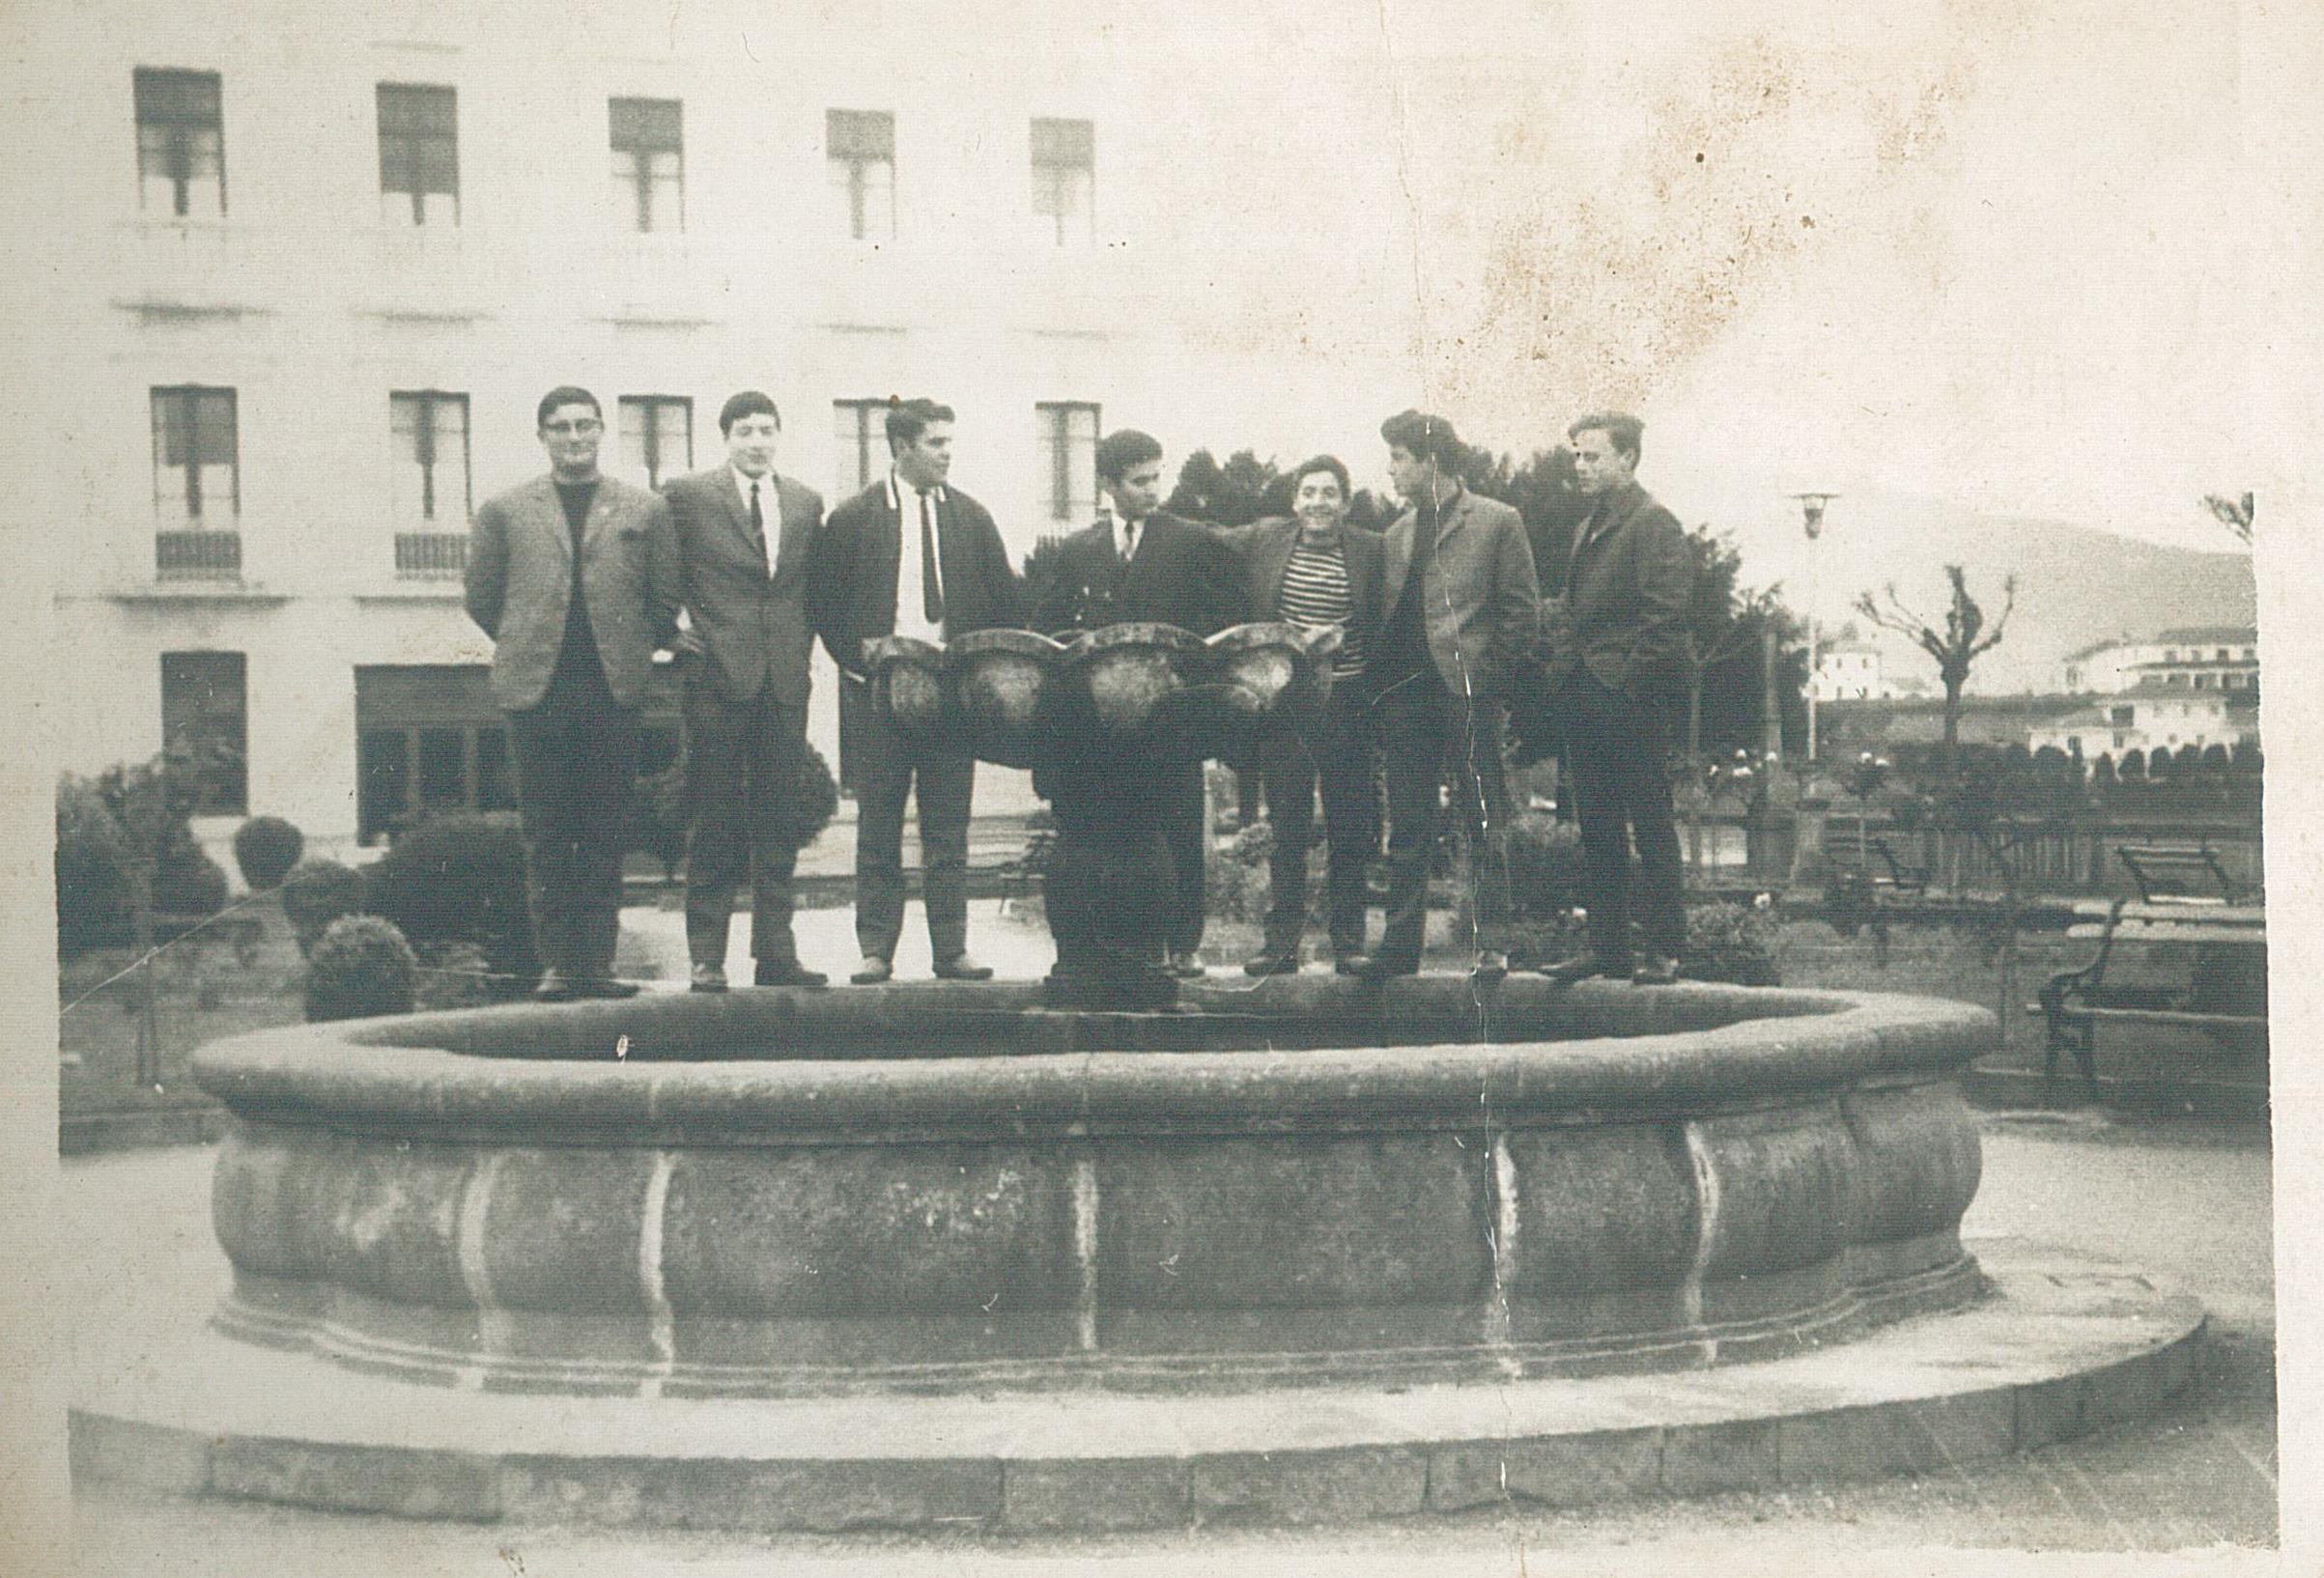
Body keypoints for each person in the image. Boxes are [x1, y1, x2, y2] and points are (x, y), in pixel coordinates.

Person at [465, 385, 680, 1000]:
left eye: (585, 425)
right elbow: (482, 598)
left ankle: (598, 964)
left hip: (612, 691)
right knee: (548, 832)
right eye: (560, 427)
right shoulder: (506, 510)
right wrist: (529, 640)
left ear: (602, 430)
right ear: (543, 437)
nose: (574, 437)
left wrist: (632, 646)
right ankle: (559, 966)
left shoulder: (644, 509)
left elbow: (664, 597)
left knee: (605, 831)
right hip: (538, 693)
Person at [808, 398, 1022, 984]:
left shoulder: (973, 518)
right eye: (936, 443)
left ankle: (951, 950)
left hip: (953, 700)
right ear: (902, 447)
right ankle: (876, 949)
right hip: (880, 696)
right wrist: (858, 664)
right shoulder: (853, 519)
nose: (947, 453)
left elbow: (1005, 604)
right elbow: (824, 603)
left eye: (950, 442)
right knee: (878, 824)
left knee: (948, 828)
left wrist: (980, 675)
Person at [1032, 428, 1245, 977]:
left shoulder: (1192, 542)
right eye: (1138, 481)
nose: (1153, 490)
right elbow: (1049, 637)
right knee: (1105, 835)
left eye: (1156, 477)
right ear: (1108, 484)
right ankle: (1108, 950)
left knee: (1179, 831)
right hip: (1099, 733)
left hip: (1170, 725)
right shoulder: (1078, 551)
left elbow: (1226, 625)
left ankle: (1184, 945)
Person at [1366, 409, 1540, 981]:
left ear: (1431, 460)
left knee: (1484, 818)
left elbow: (1521, 615)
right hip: (1406, 700)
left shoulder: (1497, 521)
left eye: (1399, 458)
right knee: (1407, 825)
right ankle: (1399, 949)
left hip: (1468, 695)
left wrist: (1487, 683)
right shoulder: (1395, 535)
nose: (1391, 469)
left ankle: (1492, 947)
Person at [663, 391, 827, 992]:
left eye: (766, 430)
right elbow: (660, 572)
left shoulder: (805, 502)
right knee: (716, 818)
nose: (757, 442)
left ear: (778, 434)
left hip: (783, 682)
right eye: (744, 431)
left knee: (779, 821)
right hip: (716, 680)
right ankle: (707, 957)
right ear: (726, 438)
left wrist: (802, 648)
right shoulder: (688, 496)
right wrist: (670, 632)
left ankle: (776, 954)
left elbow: (811, 588)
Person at [1535, 411, 1693, 985]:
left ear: (1628, 458)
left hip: (1630, 701)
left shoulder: (1653, 524)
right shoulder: (1589, 527)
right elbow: (1573, 614)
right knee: (1597, 826)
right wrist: (1567, 677)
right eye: (1577, 455)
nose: (1581, 466)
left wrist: (1623, 686)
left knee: (1650, 822)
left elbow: (1665, 618)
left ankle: (1665, 950)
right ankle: (1608, 949)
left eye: (1594, 456)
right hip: (1583, 695)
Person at [1219, 455, 1383, 975]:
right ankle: (1281, 945)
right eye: (1308, 492)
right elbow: (1208, 541)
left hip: (1348, 703)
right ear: (1294, 501)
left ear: (1346, 503)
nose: (1318, 503)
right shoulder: (1267, 539)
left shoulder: (1371, 550)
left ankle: (1350, 944)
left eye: (1329, 493)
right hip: (1286, 703)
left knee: (1349, 827)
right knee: (1286, 827)